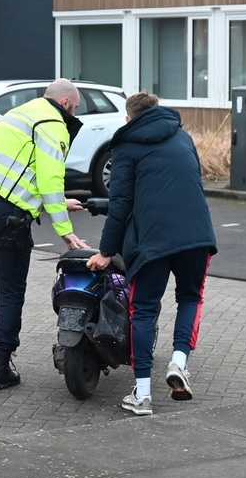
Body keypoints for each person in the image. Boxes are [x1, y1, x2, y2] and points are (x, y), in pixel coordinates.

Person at [86, 91, 217, 416]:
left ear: (129, 118)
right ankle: (178, 362)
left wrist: (106, 251)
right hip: (196, 237)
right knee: (189, 299)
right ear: (157, 111)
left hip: (152, 242)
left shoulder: (126, 147)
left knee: (142, 310)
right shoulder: (183, 137)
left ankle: (142, 394)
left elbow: (120, 206)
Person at [0, 79, 89, 390]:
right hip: (7, 220)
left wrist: (58, 203)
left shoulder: (20, 113)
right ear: (65, 103)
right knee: (11, 289)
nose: (72, 115)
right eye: (73, 110)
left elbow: (13, 177)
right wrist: (65, 232)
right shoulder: (54, 124)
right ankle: (0, 367)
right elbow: (49, 179)